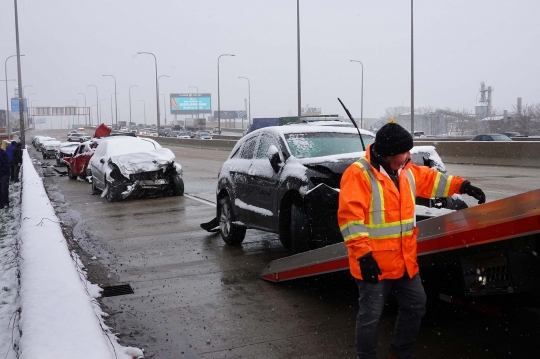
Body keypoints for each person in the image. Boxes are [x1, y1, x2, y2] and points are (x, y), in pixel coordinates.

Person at [338, 123, 486, 359]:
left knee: (416, 305)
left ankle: (400, 353)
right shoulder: (358, 174)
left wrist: (463, 185)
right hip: (374, 264)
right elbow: (350, 219)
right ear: (388, 153)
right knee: (369, 318)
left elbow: (432, 180)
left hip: (404, 261)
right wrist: (363, 255)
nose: (409, 156)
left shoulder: (406, 170)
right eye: (404, 152)